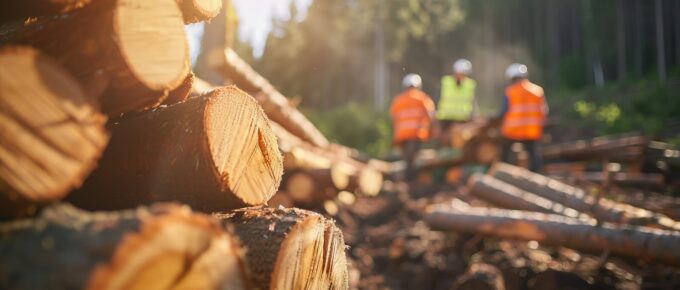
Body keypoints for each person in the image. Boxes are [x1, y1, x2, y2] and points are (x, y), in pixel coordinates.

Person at [498, 63, 548, 172]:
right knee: (533, 153)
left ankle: (503, 172)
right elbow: (544, 111)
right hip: (531, 130)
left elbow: (503, 111)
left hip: (513, 131)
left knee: (504, 151)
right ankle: (536, 174)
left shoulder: (510, 91)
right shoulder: (537, 90)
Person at [389, 73, 435, 180]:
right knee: (412, 160)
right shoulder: (422, 98)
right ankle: (411, 181)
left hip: (401, 136)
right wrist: (431, 131)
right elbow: (431, 114)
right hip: (415, 134)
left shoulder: (398, 100)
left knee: (406, 159)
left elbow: (393, 117)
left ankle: (405, 179)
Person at [436, 59, 478, 140]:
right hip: (446, 119)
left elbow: (473, 102)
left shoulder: (470, 85)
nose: (462, 76)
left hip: (463, 119)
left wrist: (473, 115)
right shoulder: (445, 82)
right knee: (443, 140)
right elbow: (437, 98)